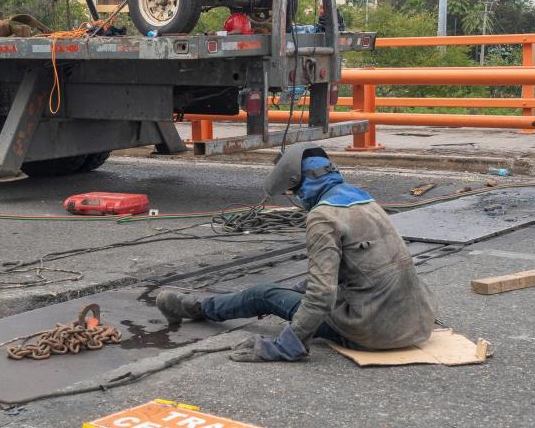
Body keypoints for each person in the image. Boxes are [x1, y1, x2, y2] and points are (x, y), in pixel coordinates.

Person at [156, 142, 439, 362]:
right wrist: (293, 293)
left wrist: (287, 344)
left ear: (300, 185)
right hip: (417, 324)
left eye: (292, 191)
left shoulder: (323, 216)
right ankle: (206, 307)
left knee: (262, 294)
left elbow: (322, 295)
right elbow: (354, 266)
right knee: (287, 293)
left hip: (373, 332)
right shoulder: (364, 201)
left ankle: (196, 309)